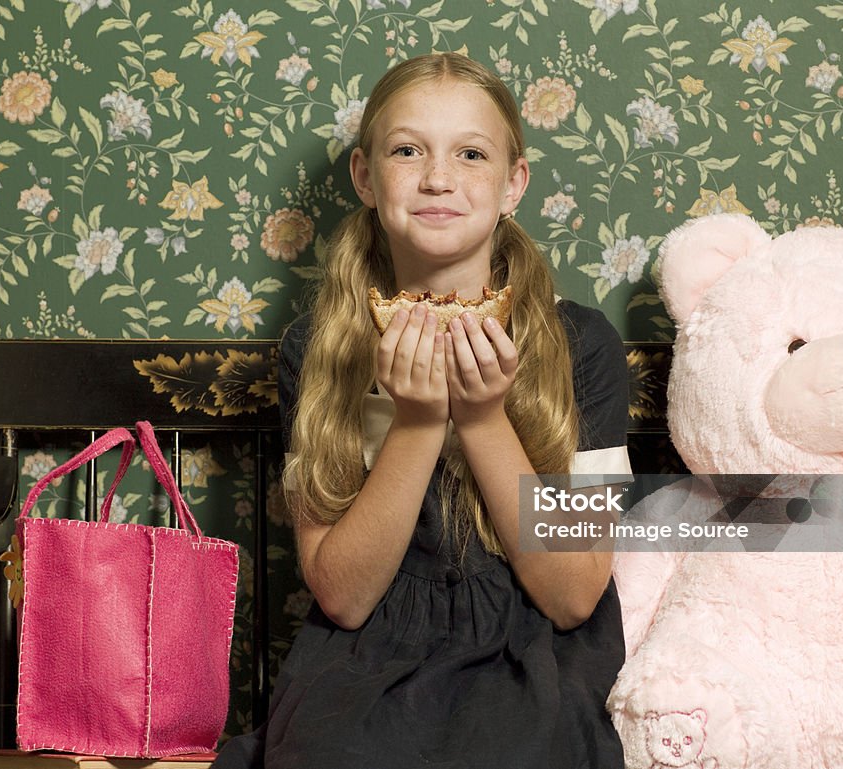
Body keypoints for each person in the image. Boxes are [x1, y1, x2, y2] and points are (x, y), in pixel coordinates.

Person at [214, 52, 631, 769]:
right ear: (367, 179)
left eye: (471, 154)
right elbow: (343, 598)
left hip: (528, 658)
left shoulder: (581, 344)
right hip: (364, 662)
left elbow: (573, 595)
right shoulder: (317, 347)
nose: (438, 177)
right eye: (408, 150)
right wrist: (414, 422)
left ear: (513, 184)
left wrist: (480, 417)